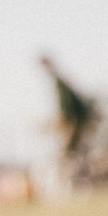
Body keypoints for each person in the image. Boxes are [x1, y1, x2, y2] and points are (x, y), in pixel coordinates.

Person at [40, 55, 101, 190]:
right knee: (77, 154)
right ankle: (80, 182)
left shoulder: (61, 84)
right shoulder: (63, 82)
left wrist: (67, 123)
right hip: (77, 122)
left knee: (70, 155)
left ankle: (75, 183)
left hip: (75, 123)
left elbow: (68, 109)